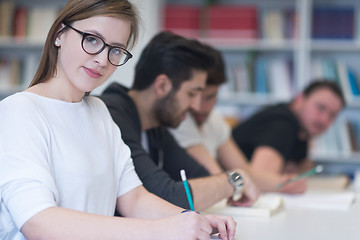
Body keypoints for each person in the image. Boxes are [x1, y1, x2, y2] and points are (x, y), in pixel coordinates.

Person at [0, 1, 237, 239]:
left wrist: (194, 220)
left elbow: (134, 199)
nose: (102, 60)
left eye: (115, 50)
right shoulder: (19, 111)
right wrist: (163, 230)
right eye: (92, 39)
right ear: (60, 34)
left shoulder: (99, 111)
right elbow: (38, 221)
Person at [100, 31, 260, 212]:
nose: (196, 106)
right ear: (162, 86)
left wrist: (224, 183)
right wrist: (234, 180)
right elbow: (166, 197)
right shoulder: (112, 116)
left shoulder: (155, 127)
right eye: (191, 94)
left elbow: (202, 177)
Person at [169, 45, 311, 193]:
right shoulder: (180, 120)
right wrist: (240, 182)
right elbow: (217, 176)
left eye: (210, 97)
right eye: (192, 95)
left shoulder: (214, 120)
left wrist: (284, 182)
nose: (198, 106)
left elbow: (244, 171)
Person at [231, 80, 345, 188]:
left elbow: (303, 168)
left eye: (332, 115)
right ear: (300, 99)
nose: (324, 120)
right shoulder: (282, 124)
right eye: (320, 107)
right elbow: (260, 181)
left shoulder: (301, 130)